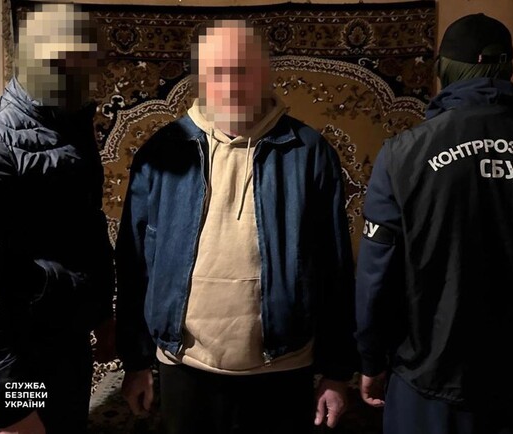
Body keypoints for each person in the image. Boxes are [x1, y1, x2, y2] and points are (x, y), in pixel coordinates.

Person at [116, 19, 357, 434]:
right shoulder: (163, 151)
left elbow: (336, 268)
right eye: (217, 72)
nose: (229, 85)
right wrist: (136, 362)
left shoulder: (309, 152)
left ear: (264, 74)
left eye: (242, 70)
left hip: (283, 367)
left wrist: (336, 373)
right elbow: (134, 262)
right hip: (184, 366)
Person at [355, 13, 513, 434]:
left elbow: (377, 275)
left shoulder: (403, 156)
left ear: (444, 69)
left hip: (429, 388)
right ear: (507, 68)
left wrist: (371, 360)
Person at [0, 3, 114, 434]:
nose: (83, 72)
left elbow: (83, 236)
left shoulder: (70, 132)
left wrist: (102, 317)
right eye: (63, 59)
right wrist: (11, 408)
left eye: (88, 59)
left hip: (61, 354)